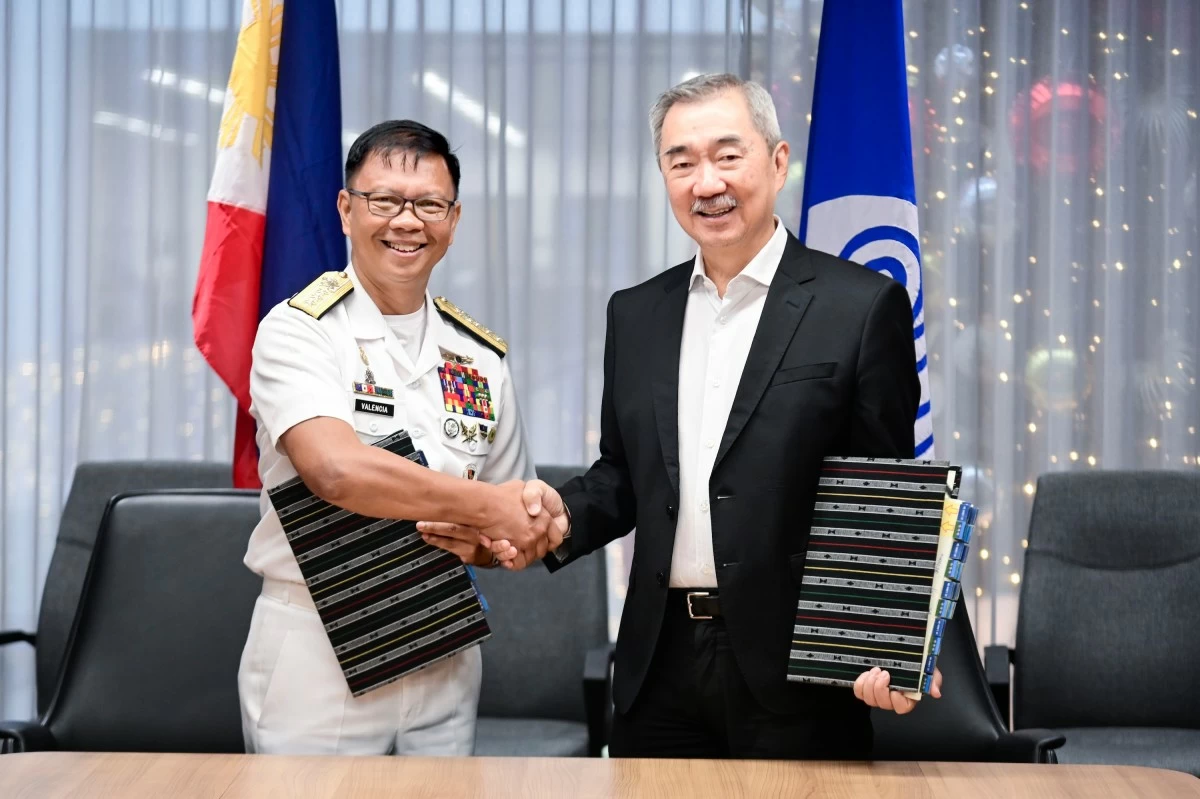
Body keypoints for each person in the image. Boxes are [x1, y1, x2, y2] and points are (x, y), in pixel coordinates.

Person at [427, 73, 941, 759]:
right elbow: (622, 477)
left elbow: (880, 493)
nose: (707, 182)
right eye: (681, 162)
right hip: (657, 666)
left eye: (728, 155)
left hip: (798, 674)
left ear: (778, 162)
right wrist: (558, 517)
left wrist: (888, 644)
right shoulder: (637, 312)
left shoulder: (862, 305)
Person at [237, 120, 559, 756]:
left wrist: (499, 538)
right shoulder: (300, 331)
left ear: (453, 220)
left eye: (430, 205)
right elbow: (336, 471)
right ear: (346, 209)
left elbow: (508, 527)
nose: (407, 222)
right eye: (384, 201)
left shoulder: (479, 357)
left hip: (444, 646)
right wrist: (488, 507)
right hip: (318, 649)